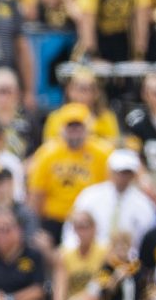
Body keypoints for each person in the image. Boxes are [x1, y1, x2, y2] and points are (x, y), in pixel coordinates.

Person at [28, 102, 111, 244]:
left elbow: (109, 190)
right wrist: (36, 227)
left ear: (88, 128)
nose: (75, 132)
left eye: (79, 127)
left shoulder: (103, 152)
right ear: (62, 128)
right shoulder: (47, 153)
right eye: (70, 127)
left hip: (90, 220)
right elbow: (37, 194)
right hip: (55, 219)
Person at [60, 149, 156, 251]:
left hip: (128, 257)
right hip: (92, 256)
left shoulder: (143, 203)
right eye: (118, 172)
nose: (122, 177)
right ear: (110, 171)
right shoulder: (90, 195)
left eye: (126, 172)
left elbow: (146, 234)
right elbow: (71, 229)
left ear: (133, 175)